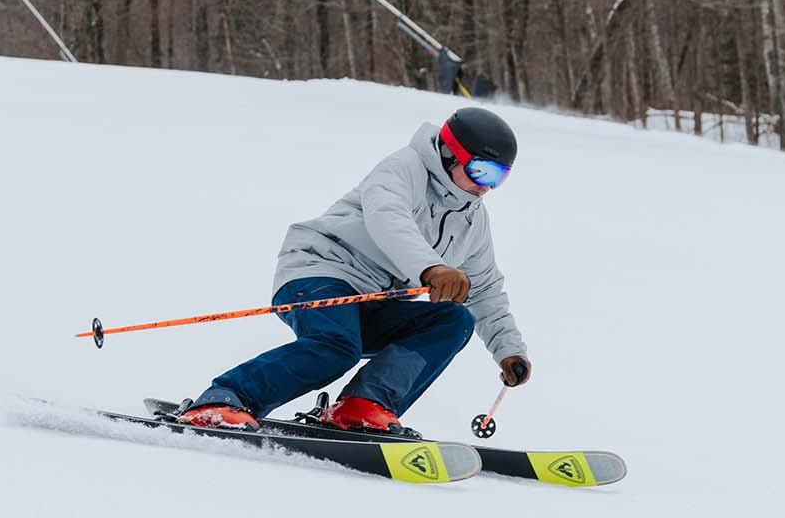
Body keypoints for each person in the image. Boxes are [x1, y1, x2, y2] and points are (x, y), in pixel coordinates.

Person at [176, 107, 532, 434]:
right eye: (480, 170)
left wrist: (508, 350)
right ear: (449, 154)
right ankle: (224, 399)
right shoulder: (403, 168)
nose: (486, 185)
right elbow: (388, 218)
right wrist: (432, 267)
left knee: (453, 320)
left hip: (373, 300)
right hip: (320, 273)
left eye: (499, 178)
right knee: (335, 347)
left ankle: (363, 405)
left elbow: (485, 288)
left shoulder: (472, 219)